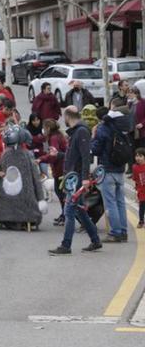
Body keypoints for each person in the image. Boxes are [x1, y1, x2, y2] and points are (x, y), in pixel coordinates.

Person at [48, 107, 102, 255]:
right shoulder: (77, 132)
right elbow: (74, 155)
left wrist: (84, 178)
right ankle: (95, 240)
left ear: (67, 116)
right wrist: (59, 154)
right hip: (74, 177)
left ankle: (66, 245)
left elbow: (85, 156)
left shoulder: (81, 132)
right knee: (79, 211)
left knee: (70, 211)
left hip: (77, 179)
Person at [91, 97, 133, 242]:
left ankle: (115, 232)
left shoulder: (104, 127)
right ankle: (123, 231)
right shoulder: (124, 126)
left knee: (111, 202)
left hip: (107, 169)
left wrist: (92, 137)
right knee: (120, 201)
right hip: (120, 168)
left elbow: (95, 149)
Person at [0, 124, 46, 229]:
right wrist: (41, 198)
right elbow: (36, 178)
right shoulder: (27, 155)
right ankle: (27, 221)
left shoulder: (5, 154)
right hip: (25, 197)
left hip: (5, 198)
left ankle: (6, 219)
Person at [39, 119, 68, 225]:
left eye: (44, 127)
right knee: (60, 192)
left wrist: (41, 159)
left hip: (60, 168)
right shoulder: (58, 135)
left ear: (48, 128)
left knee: (60, 192)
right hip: (62, 167)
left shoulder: (54, 138)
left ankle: (65, 215)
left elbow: (53, 154)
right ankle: (64, 214)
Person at [132, 148, 145, 229]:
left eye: (140, 156)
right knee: (142, 206)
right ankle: (141, 221)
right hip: (141, 190)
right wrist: (137, 188)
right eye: (136, 156)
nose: (138, 158)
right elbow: (136, 179)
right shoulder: (135, 167)